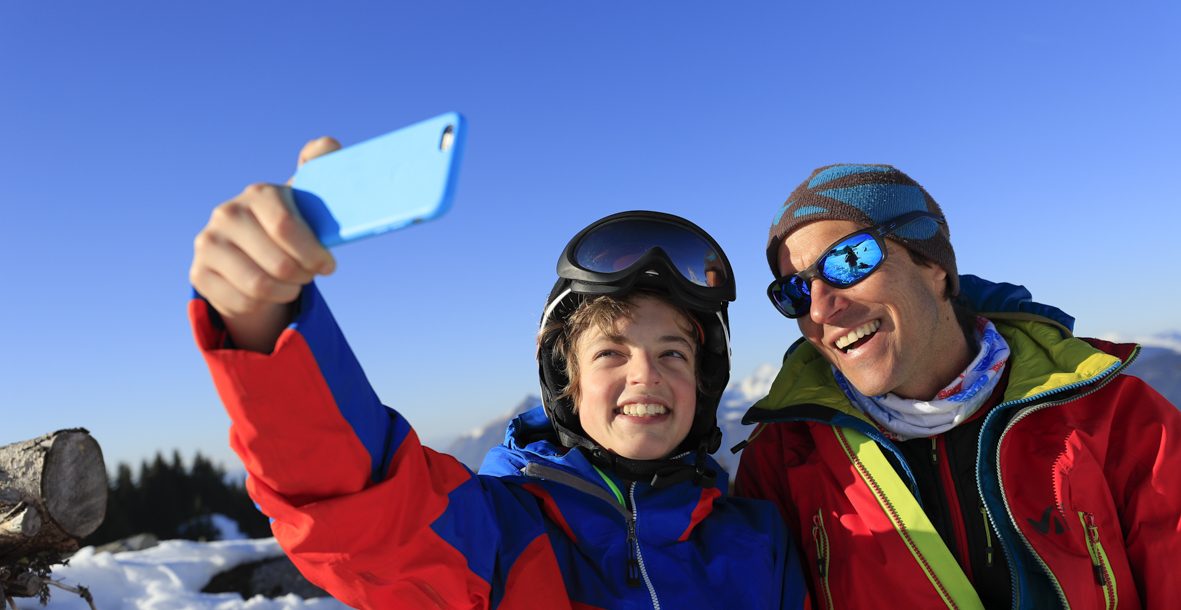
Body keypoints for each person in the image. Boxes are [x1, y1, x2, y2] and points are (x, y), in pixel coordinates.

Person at [188, 137, 809, 609]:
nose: (645, 373)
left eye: (673, 353)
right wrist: (265, 324)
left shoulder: (758, 541)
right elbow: (365, 512)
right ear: (565, 381)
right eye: (611, 353)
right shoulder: (500, 530)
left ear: (704, 380)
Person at [734, 164, 1181, 609]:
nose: (818, 310)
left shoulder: (1118, 420)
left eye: (849, 261)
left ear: (933, 265)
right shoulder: (781, 462)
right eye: (793, 292)